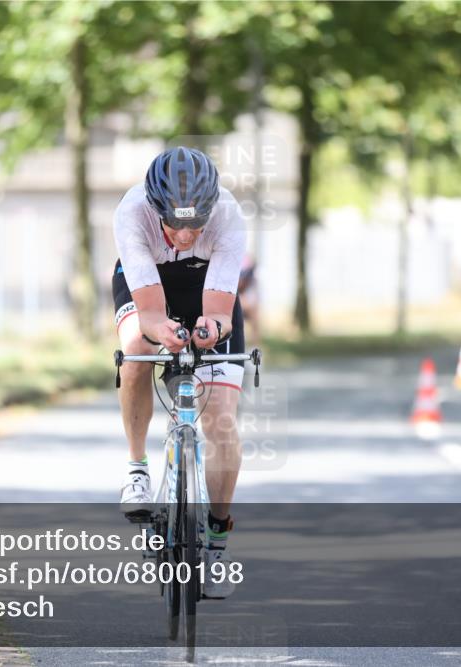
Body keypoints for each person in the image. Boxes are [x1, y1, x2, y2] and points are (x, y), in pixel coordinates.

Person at [112, 146, 246, 598]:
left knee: (222, 424)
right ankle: (137, 470)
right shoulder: (132, 212)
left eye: (196, 223)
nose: (186, 233)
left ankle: (217, 540)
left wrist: (211, 328)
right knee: (136, 350)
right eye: (176, 223)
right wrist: (159, 332)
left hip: (206, 285)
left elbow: (220, 314)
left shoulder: (228, 215)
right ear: (155, 208)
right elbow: (149, 313)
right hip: (150, 282)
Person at [238, 254, 262, 348]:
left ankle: (255, 347)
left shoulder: (253, 283)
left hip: (247, 309)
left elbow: (254, 302)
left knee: (254, 315)